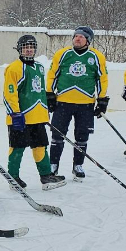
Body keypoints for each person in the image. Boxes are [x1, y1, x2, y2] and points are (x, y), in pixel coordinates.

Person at [3, 35, 66, 190]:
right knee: (17, 148)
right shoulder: (13, 68)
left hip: (37, 117)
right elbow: (9, 93)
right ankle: (13, 177)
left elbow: (39, 92)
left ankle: (46, 176)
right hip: (20, 117)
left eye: (31, 46)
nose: (29, 49)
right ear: (19, 48)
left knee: (40, 146)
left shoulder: (39, 67)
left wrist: (46, 111)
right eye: (25, 46)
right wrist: (15, 113)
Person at [45, 26, 109, 180]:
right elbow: (52, 74)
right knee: (57, 135)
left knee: (82, 137)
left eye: (81, 37)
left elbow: (102, 79)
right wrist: (50, 94)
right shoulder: (63, 54)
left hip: (85, 103)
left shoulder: (97, 56)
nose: (77, 39)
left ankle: (77, 165)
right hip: (63, 103)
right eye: (76, 36)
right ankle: (53, 165)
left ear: (88, 40)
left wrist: (102, 100)